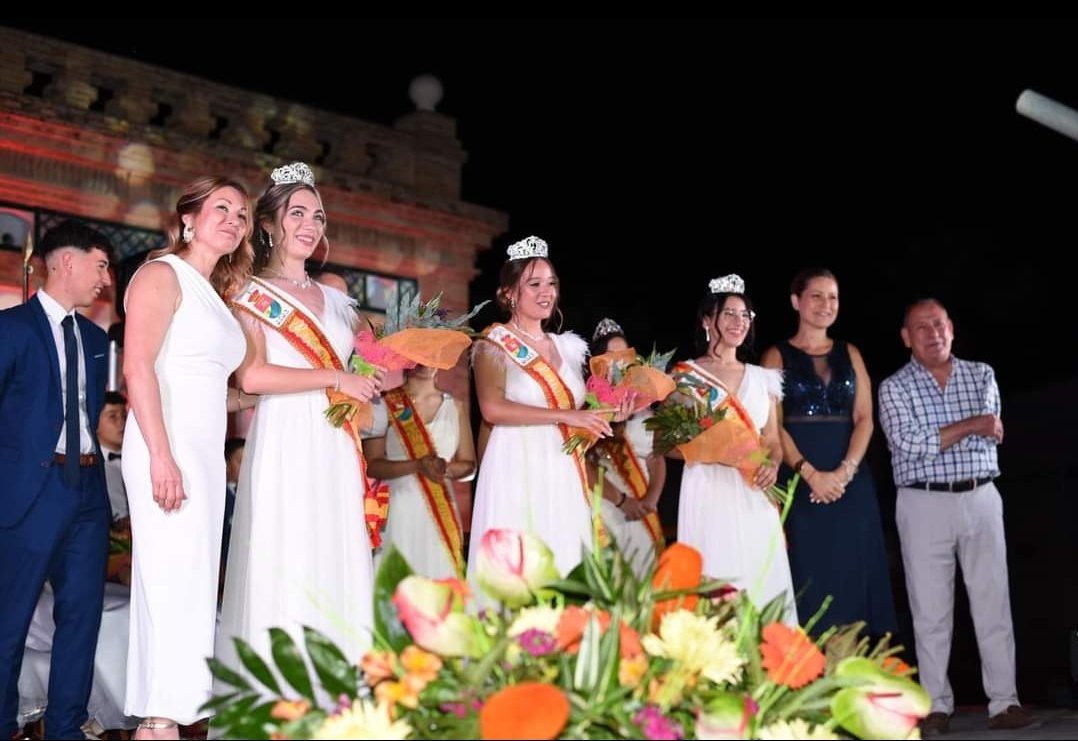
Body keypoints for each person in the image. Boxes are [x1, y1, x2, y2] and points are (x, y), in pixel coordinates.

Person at [218, 162, 383, 671]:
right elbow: (252, 377)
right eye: (297, 214)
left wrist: (373, 373)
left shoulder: (338, 302)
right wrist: (336, 379)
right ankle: (283, 685)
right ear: (269, 224)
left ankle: (340, 681)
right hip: (286, 438)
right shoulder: (250, 295)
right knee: (288, 551)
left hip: (336, 441)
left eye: (318, 216)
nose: (310, 225)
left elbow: (363, 365)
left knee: (335, 550)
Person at [121, 176, 252, 739]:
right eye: (221, 208)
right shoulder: (161, 274)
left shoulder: (215, 296)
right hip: (165, 446)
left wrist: (280, 398)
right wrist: (161, 455)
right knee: (168, 580)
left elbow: (212, 390)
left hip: (203, 455)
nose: (234, 220)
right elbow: (137, 367)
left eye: (242, 215)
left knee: (194, 586)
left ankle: (166, 719)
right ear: (188, 219)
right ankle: (158, 720)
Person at [878, 298, 1032, 734]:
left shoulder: (981, 374)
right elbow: (909, 444)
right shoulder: (894, 387)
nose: (933, 333)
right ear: (906, 337)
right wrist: (970, 425)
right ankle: (935, 706)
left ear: (952, 328)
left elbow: (990, 436)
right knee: (929, 611)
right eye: (922, 327)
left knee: (993, 602)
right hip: (922, 502)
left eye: (939, 324)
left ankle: (1005, 702)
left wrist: (952, 433)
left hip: (981, 496)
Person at [0, 219, 113, 740]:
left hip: (88, 492)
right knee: (9, 622)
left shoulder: (95, 338)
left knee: (81, 621)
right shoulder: (10, 328)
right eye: (101, 265)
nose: (105, 279)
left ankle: (66, 729)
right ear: (67, 261)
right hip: (27, 493)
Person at [467, 235, 626, 579]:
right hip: (516, 461)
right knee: (522, 564)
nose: (546, 292)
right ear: (509, 293)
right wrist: (565, 415)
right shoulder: (494, 343)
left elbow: (580, 416)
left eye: (551, 283)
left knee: (564, 555)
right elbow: (492, 408)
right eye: (534, 284)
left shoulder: (568, 347)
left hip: (563, 465)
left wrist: (612, 412)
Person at [760, 268, 896, 637]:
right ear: (796, 301)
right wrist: (810, 474)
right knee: (808, 577)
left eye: (833, 296)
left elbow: (865, 418)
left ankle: (850, 665)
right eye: (816, 296)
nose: (826, 304)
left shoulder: (850, 352)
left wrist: (845, 472)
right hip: (799, 482)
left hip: (850, 482)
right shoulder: (775, 356)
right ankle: (807, 666)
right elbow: (773, 426)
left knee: (854, 577)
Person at [672, 274, 797, 622]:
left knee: (761, 577)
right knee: (715, 573)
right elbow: (665, 444)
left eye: (745, 315)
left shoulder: (764, 378)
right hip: (707, 488)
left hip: (754, 487)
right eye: (729, 313)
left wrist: (772, 464)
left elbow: (773, 440)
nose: (738, 322)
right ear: (707, 320)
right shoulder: (686, 377)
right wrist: (711, 450)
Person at [363, 365, 476, 579]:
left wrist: (444, 468)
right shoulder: (384, 403)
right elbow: (373, 464)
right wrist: (417, 465)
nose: (426, 363)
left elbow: (469, 466)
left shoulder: (455, 405)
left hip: (441, 505)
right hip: (399, 505)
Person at [588, 318, 667, 578]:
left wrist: (651, 500)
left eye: (624, 355)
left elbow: (656, 457)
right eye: (611, 355)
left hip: (643, 506)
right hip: (608, 506)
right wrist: (622, 501)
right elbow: (583, 464)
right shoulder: (588, 406)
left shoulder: (643, 406)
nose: (619, 362)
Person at [98, 391, 128, 522]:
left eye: (124, 416)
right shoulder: (94, 468)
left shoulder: (140, 461)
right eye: (112, 417)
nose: (121, 422)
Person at [220, 437, 245, 571]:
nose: (245, 467)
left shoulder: (249, 494)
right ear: (227, 464)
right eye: (240, 461)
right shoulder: (221, 497)